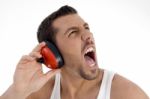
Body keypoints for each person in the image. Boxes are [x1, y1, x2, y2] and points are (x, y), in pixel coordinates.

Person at [0, 5, 149, 99]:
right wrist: (17, 91)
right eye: (73, 33)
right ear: (52, 53)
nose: (88, 35)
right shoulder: (41, 92)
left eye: (87, 28)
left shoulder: (126, 94)